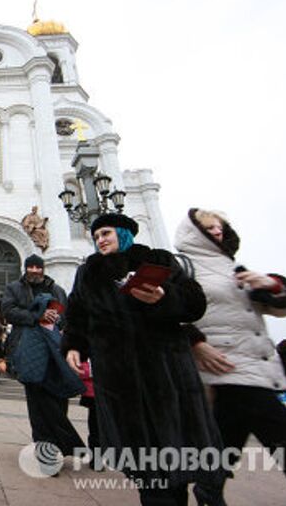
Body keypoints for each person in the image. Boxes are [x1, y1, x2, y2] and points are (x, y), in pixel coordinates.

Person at [63, 213, 225, 506]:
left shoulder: (158, 261)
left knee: (178, 453)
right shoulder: (89, 272)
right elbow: (76, 313)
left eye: (107, 233)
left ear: (124, 234)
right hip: (119, 378)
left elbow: (194, 303)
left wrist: (164, 298)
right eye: (97, 235)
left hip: (166, 373)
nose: (100, 240)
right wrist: (73, 345)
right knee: (147, 469)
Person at [175, 208, 286, 495]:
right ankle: (208, 486)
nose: (217, 232)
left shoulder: (234, 268)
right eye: (209, 228)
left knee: (226, 439)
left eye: (220, 227)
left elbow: (276, 306)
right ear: (195, 233)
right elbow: (168, 312)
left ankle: (208, 487)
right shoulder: (184, 268)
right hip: (225, 366)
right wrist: (195, 342)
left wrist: (274, 285)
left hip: (253, 367)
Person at [1, 255, 75, 448]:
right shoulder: (14, 288)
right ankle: (45, 448)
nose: (34, 270)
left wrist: (58, 320)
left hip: (55, 350)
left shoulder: (57, 289)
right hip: (29, 349)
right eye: (30, 267)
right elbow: (8, 312)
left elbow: (67, 316)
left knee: (59, 397)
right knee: (36, 401)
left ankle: (59, 443)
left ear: (43, 268)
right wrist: (37, 316)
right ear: (25, 268)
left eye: (37, 267)